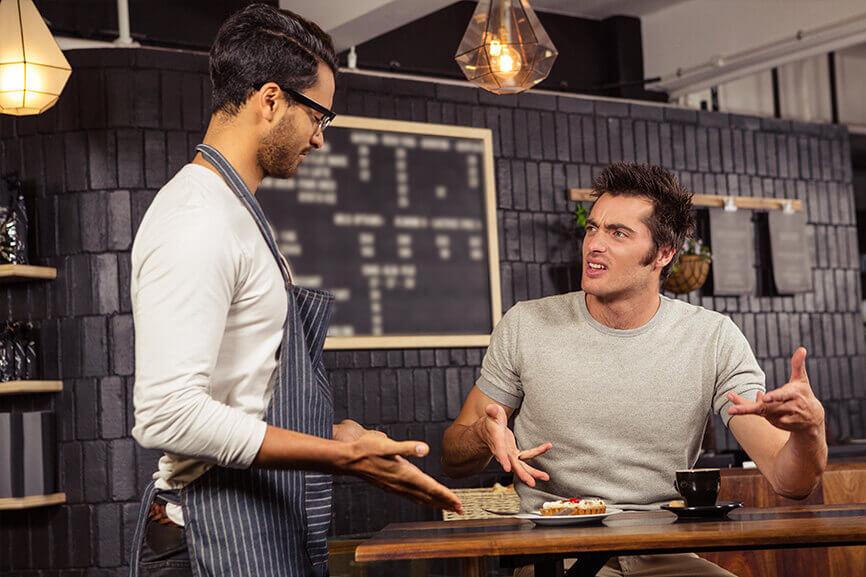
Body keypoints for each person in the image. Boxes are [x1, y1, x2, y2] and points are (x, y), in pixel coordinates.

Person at [128, 5, 461, 577]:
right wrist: (344, 457)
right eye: (320, 117)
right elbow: (167, 415)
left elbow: (240, 397)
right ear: (272, 100)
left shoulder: (237, 214)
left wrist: (336, 435)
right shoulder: (197, 219)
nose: (320, 139)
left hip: (256, 520)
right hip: (208, 533)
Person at [441, 162, 827, 576]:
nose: (595, 244)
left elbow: (791, 482)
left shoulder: (713, 338)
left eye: (618, 233)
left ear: (663, 253)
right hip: (555, 554)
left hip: (663, 553)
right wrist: (484, 434)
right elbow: (453, 456)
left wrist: (810, 430)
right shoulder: (526, 324)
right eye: (593, 229)